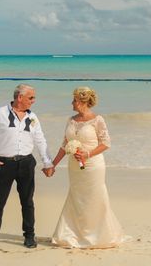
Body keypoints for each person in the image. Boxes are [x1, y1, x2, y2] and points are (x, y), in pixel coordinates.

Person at [0, 84, 54, 250]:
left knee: (27, 201)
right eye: (31, 97)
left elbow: (40, 140)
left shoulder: (33, 117)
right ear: (20, 97)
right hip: (4, 164)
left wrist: (47, 162)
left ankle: (30, 236)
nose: (34, 101)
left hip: (26, 163)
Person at [51, 86, 125, 248]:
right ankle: (74, 235)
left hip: (93, 166)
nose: (72, 103)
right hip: (74, 167)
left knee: (95, 197)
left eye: (74, 100)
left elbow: (106, 143)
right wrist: (53, 165)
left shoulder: (97, 120)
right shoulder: (71, 120)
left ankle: (98, 235)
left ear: (83, 102)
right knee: (77, 198)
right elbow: (64, 145)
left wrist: (87, 154)